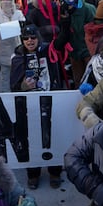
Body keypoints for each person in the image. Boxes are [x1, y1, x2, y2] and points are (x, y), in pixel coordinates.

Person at [10, 24, 64, 189]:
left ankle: (55, 172)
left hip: (50, 101)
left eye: (33, 37)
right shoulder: (18, 57)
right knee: (32, 139)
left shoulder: (48, 51)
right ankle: (33, 174)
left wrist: (64, 20)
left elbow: (62, 41)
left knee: (53, 137)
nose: (30, 41)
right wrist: (23, 86)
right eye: (26, 38)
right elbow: (13, 86)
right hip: (30, 106)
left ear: (38, 38)